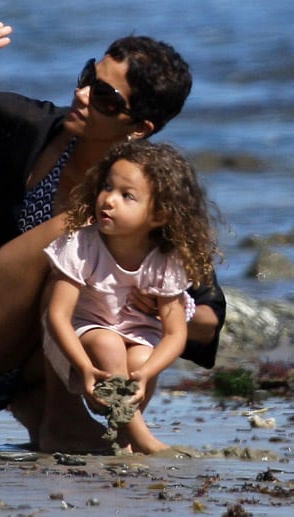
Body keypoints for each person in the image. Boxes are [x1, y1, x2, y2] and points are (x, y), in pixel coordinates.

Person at [0, 12, 226, 452]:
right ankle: (64, 418)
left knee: (119, 310)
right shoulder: (26, 125)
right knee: (81, 232)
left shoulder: (150, 193)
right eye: (86, 77)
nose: (81, 95)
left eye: (104, 96)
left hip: (39, 358)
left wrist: (150, 304)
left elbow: (208, 317)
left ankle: (62, 420)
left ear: (139, 128)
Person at [43, 139, 221, 454]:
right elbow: (57, 316)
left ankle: (125, 439)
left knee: (142, 356)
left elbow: (175, 333)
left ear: (159, 215)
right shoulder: (81, 245)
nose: (108, 200)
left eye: (127, 196)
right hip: (78, 338)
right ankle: (144, 439)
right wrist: (83, 366)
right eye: (107, 187)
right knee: (108, 342)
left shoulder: (166, 260)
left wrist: (145, 373)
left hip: (135, 339)